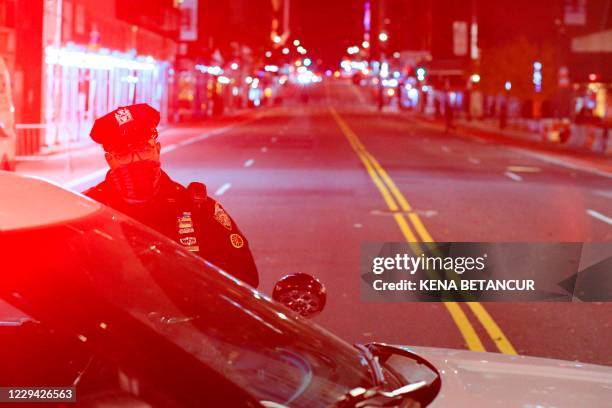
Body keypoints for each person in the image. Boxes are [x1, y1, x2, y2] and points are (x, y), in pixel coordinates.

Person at [83, 103, 259, 288]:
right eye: (124, 154)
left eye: (143, 150)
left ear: (157, 150)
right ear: (110, 160)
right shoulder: (88, 211)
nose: (137, 161)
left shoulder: (197, 207)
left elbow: (244, 279)